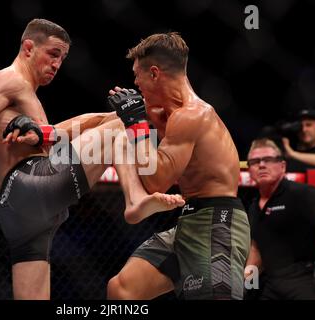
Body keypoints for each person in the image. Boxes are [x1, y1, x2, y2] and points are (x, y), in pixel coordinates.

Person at [0, 18, 184, 300]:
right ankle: (135, 200)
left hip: (18, 213)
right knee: (122, 128)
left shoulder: (27, 99)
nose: (57, 64)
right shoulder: (9, 79)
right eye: (53, 54)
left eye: (63, 58)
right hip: (31, 184)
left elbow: (74, 126)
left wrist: (123, 111)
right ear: (28, 48)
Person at [106, 32, 251, 300]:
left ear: (154, 73)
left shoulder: (192, 116)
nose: (134, 83)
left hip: (218, 222)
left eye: (137, 75)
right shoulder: (163, 113)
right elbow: (102, 121)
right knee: (122, 289)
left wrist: (137, 125)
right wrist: (46, 133)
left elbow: (155, 181)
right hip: (188, 220)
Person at [245, 138, 315, 299]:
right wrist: (248, 284)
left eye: (268, 160)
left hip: (307, 280)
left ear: (282, 166)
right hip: (272, 285)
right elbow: (255, 251)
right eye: (255, 161)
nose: (261, 165)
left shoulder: (302, 193)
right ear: (249, 169)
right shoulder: (253, 208)